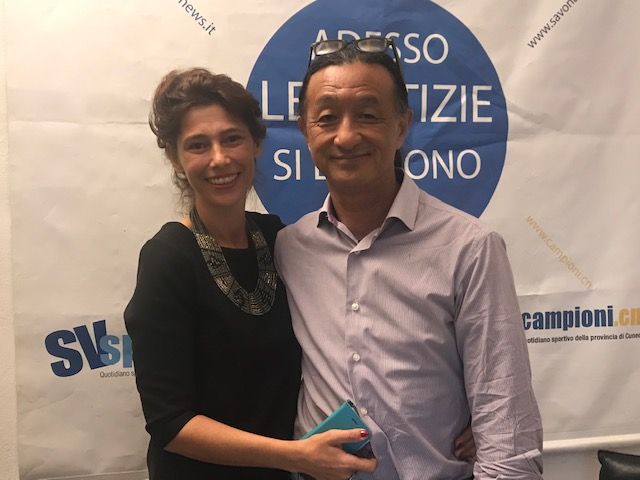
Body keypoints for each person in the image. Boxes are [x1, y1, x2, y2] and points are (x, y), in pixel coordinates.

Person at [275, 38, 544, 480]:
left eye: (368, 115)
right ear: (306, 130)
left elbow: (505, 424)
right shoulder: (288, 248)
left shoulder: (469, 247)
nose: (346, 136)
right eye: (327, 118)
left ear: (402, 126)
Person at [124, 68, 378, 480]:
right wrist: (294, 456)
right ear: (175, 158)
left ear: (256, 144)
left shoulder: (279, 238)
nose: (219, 159)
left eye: (232, 139)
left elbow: (352, 337)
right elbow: (170, 422)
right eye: (198, 145)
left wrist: (456, 413)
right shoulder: (167, 259)